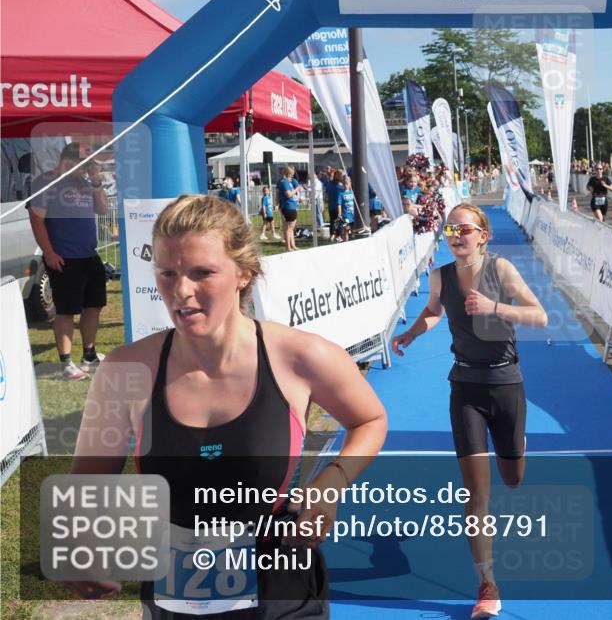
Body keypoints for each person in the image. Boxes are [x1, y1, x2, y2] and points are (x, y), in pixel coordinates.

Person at [65, 194, 388, 615]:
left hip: (283, 595)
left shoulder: (301, 357)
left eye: (202, 273)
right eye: (167, 273)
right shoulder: (126, 370)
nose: (181, 291)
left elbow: (370, 418)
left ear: (243, 274)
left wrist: (332, 482)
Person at [391, 204, 547, 619]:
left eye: (464, 228)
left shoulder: (502, 272)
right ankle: (487, 583)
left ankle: (517, 444)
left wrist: (496, 308)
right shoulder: (440, 276)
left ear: (482, 235)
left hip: (506, 383)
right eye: (450, 229)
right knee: (477, 494)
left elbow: (540, 316)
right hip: (465, 388)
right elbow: (433, 313)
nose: (455, 235)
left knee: (513, 479)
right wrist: (411, 331)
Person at [27, 142, 108, 380]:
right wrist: (49, 253)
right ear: (69, 160)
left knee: (93, 306)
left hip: (89, 255)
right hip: (64, 257)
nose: (86, 169)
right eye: (85, 165)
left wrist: (95, 181)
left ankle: (89, 355)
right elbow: (36, 220)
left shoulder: (84, 183)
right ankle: (66, 362)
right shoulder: (46, 182)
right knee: (66, 311)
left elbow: (102, 209)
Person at [277, 167, 301, 251]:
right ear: (289, 173)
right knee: (289, 228)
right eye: (292, 173)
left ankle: (293, 245)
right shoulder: (284, 182)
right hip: (288, 206)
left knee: (291, 228)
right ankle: (288, 246)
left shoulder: (288, 182)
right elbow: (288, 194)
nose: (293, 175)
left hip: (292, 206)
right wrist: (296, 189)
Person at [338, 175, 357, 242]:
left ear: (350, 183)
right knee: (346, 229)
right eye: (344, 184)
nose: (345, 185)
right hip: (346, 215)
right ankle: (346, 241)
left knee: (353, 229)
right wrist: (339, 213)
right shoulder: (341, 194)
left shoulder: (353, 193)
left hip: (353, 215)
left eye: (347, 184)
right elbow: (339, 204)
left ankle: (353, 241)